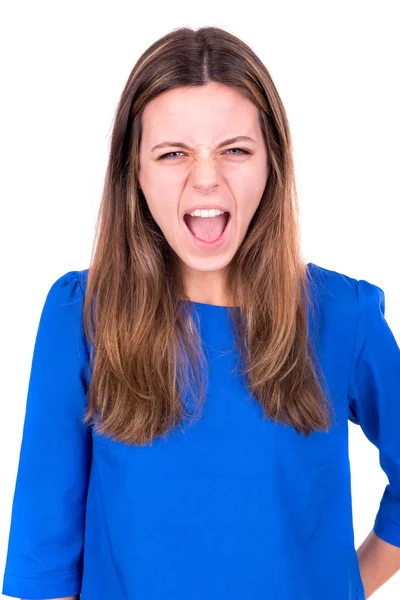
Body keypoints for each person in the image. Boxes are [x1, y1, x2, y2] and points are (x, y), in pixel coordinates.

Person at [2, 25, 400, 600]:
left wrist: (343, 585)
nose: (206, 178)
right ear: (133, 172)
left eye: (236, 150)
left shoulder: (344, 316)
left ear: (272, 164)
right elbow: (47, 563)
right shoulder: (81, 317)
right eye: (172, 154)